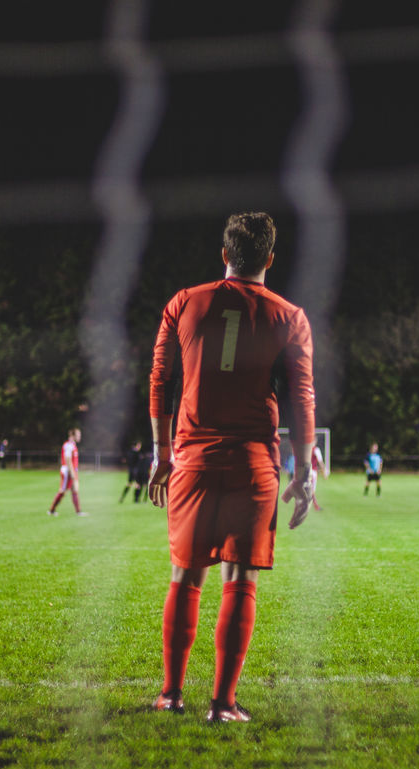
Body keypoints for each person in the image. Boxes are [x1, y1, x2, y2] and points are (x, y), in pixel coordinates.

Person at [147, 211, 315, 723]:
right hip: (252, 463)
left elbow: (160, 380)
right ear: (269, 258)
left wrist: (161, 454)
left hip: (192, 459)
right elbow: (303, 401)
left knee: (185, 574)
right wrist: (304, 471)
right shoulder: (290, 317)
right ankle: (222, 705)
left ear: (225, 255)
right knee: (239, 577)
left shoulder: (184, 302)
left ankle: (172, 695)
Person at [48, 428, 85, 516]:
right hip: (67, 472)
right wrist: (72, 473)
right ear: (73, 435)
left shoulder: (73, 445)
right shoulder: (68, 445)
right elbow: (68, 459)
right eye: (78, 435)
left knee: (75, 490)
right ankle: (51, 510)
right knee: (62, 491)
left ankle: (78, 512)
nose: (80, 436)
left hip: (72, 471)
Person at [121, 439, 148, 504]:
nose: (140, 447)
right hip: (136, 471)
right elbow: (139, 462)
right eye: (139, 445)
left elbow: (125, 460)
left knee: (129, 484)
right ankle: (136, 499)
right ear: (137, 445)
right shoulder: (137, 453)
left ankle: (122, 497)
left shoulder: (129, 452)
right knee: (138, 485)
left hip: (130, 471)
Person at [308, 443, 325, 511]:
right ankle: (315, 506)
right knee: (311, 490)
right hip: (312, 472)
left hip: (305, 471)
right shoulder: (316, 449)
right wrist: (324, 471)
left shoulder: (304, 448)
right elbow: (320, 461)